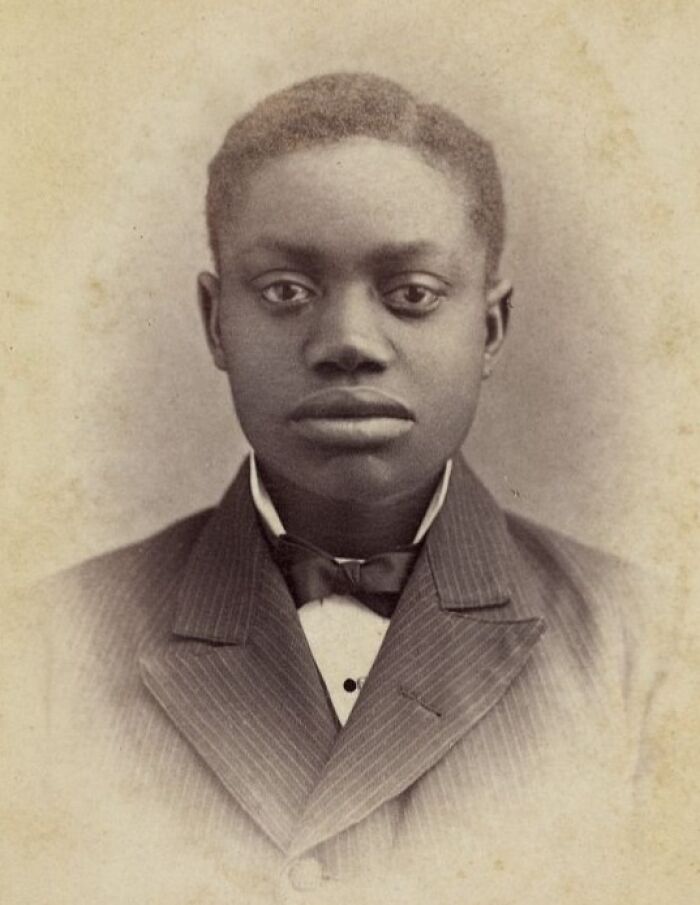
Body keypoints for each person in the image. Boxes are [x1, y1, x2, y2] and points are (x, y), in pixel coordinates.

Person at [33, 73, 663, 904]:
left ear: (491, 326)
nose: (348, 342)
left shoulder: (649, 649)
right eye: (286, 292)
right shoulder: (44, 649)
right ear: (216, 321)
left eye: (412, 295)